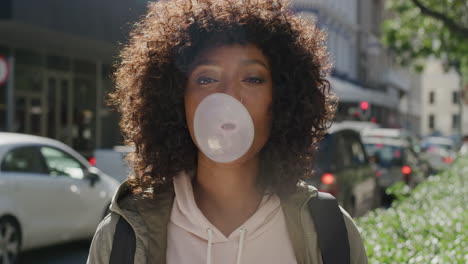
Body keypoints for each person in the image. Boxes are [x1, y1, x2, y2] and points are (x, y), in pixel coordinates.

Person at [87, 0, 368, 263]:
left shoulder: (330, 231)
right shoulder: (123, 236)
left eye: (252, 79)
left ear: (280, 99)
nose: (229, 96)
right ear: (176, 100)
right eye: (206, 78)